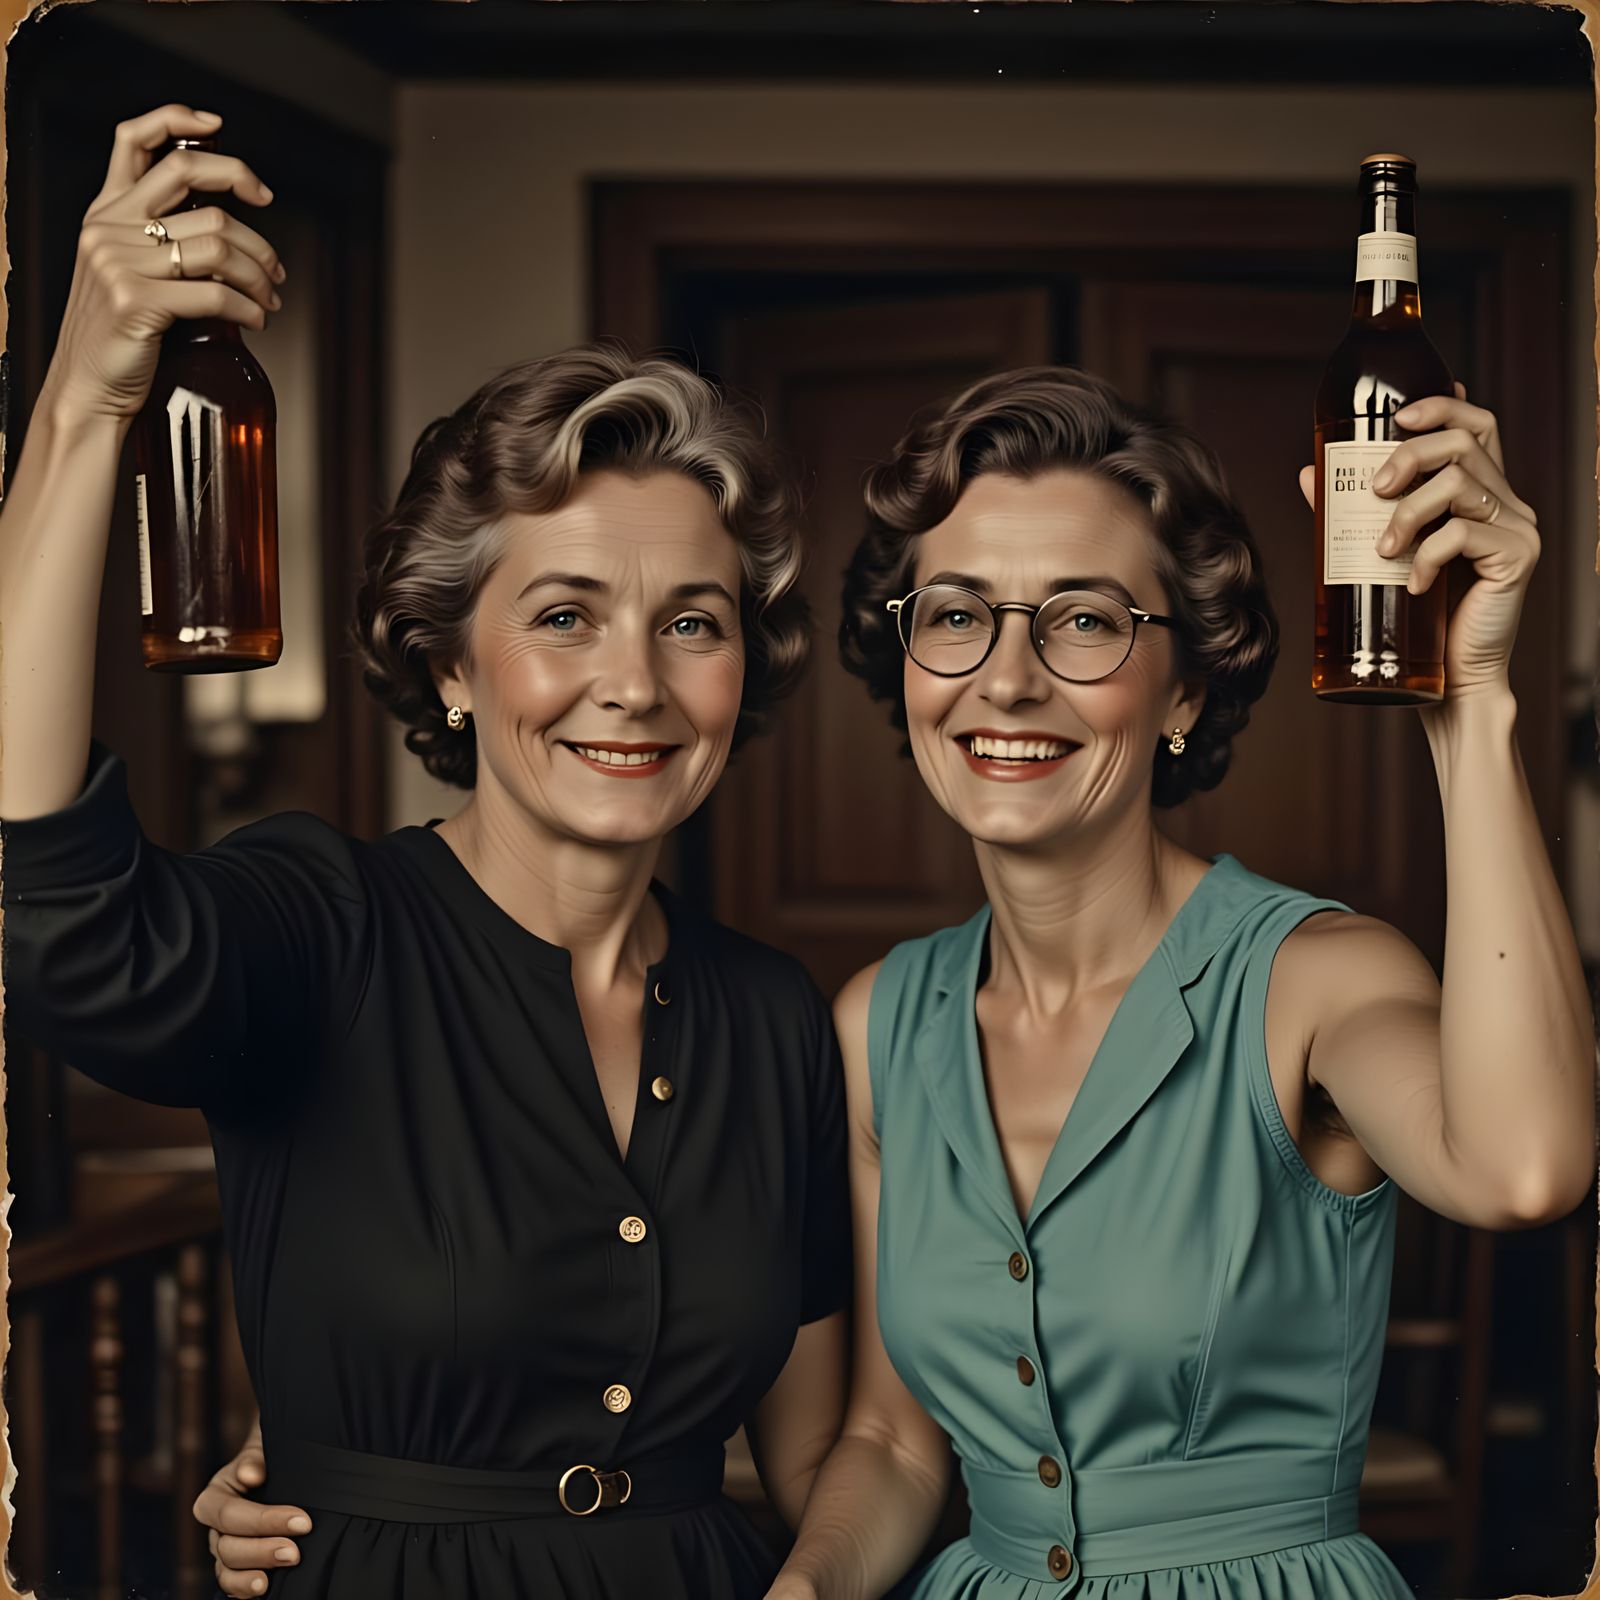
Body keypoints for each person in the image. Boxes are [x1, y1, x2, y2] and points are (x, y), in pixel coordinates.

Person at [0, 105, 851, 1600]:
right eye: (565, 615)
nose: (636, 683)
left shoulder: (775, 1016)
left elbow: (824, 1461)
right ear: (451, 666)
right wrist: (83, 403)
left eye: (694, 624)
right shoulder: (325, 926)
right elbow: (59, 922)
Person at [757, 365, 1596, 1600]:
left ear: (1185, 691)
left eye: (1085, 620)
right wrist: (808, 1590)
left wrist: (1468, 703)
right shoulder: (879, 1019)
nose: (1006, 677)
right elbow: (892, 1437)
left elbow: (1523, 1167)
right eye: (955, 614)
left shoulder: (1315, 980)